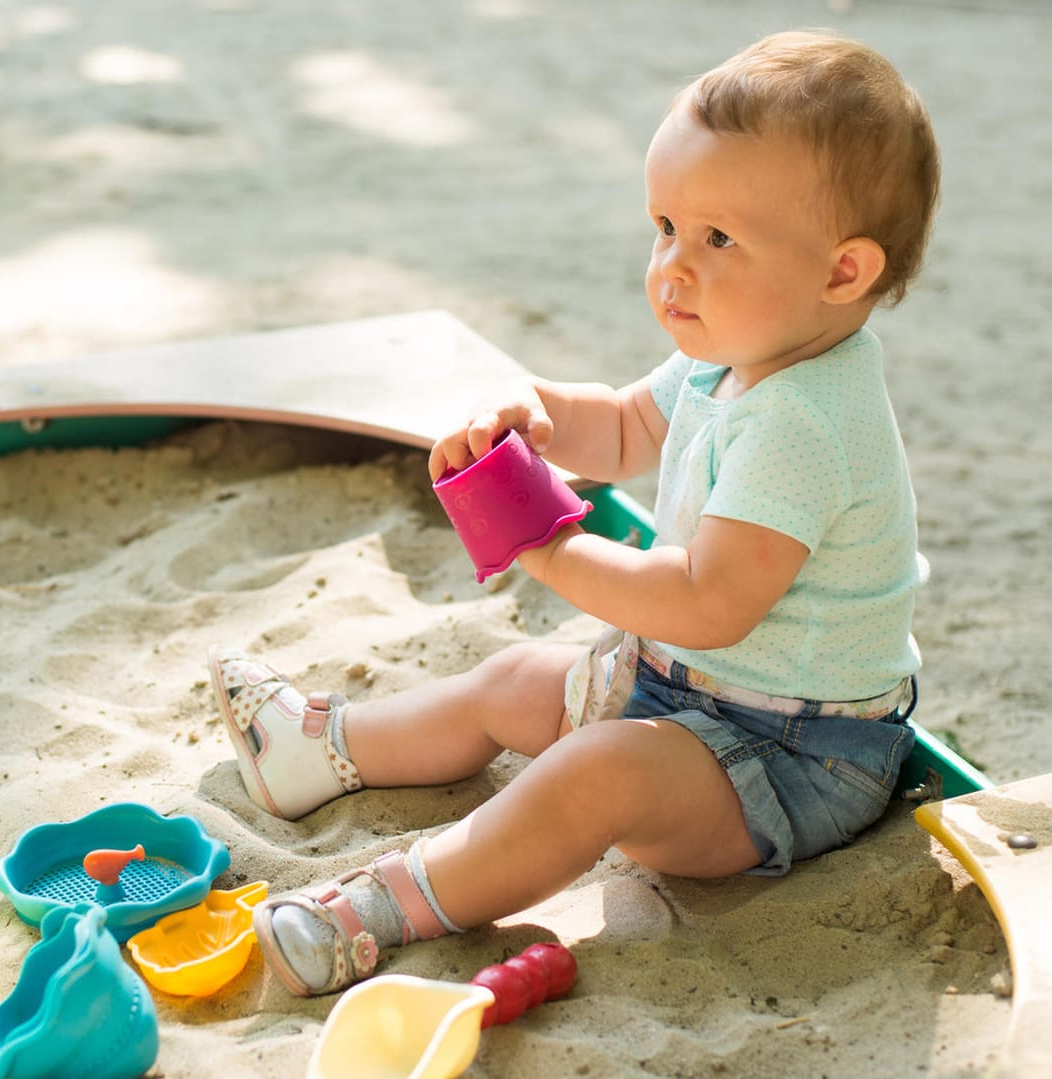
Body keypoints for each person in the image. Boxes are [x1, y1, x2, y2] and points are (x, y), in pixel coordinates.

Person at [209, 28, 941, 997]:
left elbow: (707, 603)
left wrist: (549, 545)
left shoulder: (805, 421)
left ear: (843, 271)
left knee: (594, 774)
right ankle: (321, 746)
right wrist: (542, 415)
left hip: (796, 758)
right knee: (517, 679)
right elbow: (634, 422)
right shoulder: (741, 349)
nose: (673, 267)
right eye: (665, 226)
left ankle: (387, 906)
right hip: (693, 696)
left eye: (718, 239)